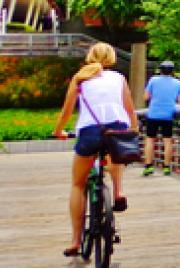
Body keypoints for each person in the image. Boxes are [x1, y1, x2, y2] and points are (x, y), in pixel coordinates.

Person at [53, 42, 139, 256]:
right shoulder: (119, 78)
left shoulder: (81, 77)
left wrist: (59, 131)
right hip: (117, 128)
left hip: (90, 131)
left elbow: (66, 110)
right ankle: (118, 192)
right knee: (116, 152)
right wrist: (134, 130)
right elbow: (129, 110)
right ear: (111, 58)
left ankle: (75, 240)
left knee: (78, 184)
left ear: (90, 56)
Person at [142, 60, 180, 175]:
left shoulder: (153, 80)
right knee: (167, 141)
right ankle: (166, 167)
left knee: (150, 139)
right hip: (168, 114)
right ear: (172, 71)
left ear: (160, 70)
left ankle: (149, 165)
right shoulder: (178, 83)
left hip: (153, 113)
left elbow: (146, 97)